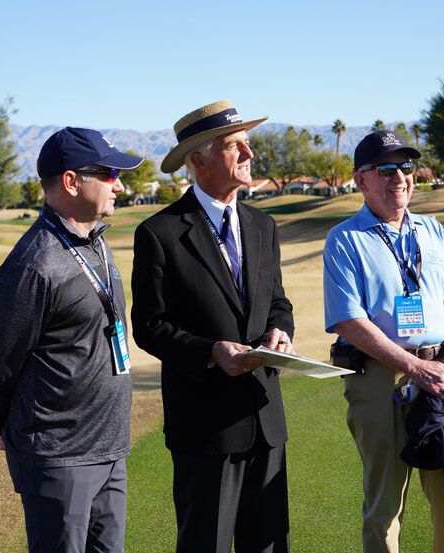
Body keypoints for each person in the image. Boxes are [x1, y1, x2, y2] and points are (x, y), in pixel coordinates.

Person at [131, 100, 295, 553]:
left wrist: (282, 331)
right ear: (199, 160)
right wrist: (209, 352)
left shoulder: (263, 226)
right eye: (234, 145)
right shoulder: (159, 233)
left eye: (247, 143)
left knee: (268, 545)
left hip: (265, 418)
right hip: (204, 427)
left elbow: (278, 301)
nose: (249, 154)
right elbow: (148, 325)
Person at [0, 127, 144, 553]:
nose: (119, 185)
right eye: (108, 174)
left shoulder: (94, 242)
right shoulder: (34, 266)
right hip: (58, 459)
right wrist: (11, 427)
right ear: (71, 182)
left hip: (109, 448)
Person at [323, 129, 444, 553]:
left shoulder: (432, 231)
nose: (400, 178)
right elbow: (348, 320)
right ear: (360, 180)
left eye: (406, 167)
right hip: (381, 380)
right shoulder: (344, 239)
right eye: (386, 169)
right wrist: (415, 368)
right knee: (385, 504)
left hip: (443, 375)